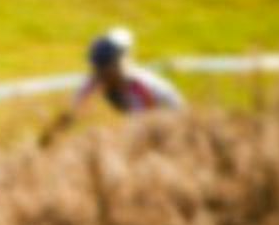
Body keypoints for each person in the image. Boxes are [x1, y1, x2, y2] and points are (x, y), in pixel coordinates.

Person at [43, 27, 183, 142]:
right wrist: (48, 137)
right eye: (96, 69)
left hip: (173, 118)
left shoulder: (139, 86)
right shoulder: (97, 78)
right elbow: (73, 111)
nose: (98, 74)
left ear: (115, 66)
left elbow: (144, 125)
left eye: (103, 69)